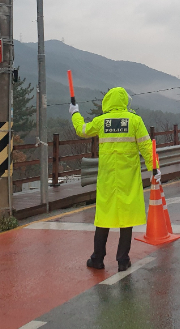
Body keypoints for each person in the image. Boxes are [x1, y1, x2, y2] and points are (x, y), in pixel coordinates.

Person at [70, 87, 161, 272]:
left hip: (107, 179)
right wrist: (155, 168)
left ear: (108, 101)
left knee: (103, 218)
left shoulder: (102, 121)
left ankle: (97, 259)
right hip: (128, 178)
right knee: (126, 219)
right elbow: (146, 146)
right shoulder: (135, 120)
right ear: (125, 101)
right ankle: (122, 260)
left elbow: (81, 129)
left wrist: (75, 113)